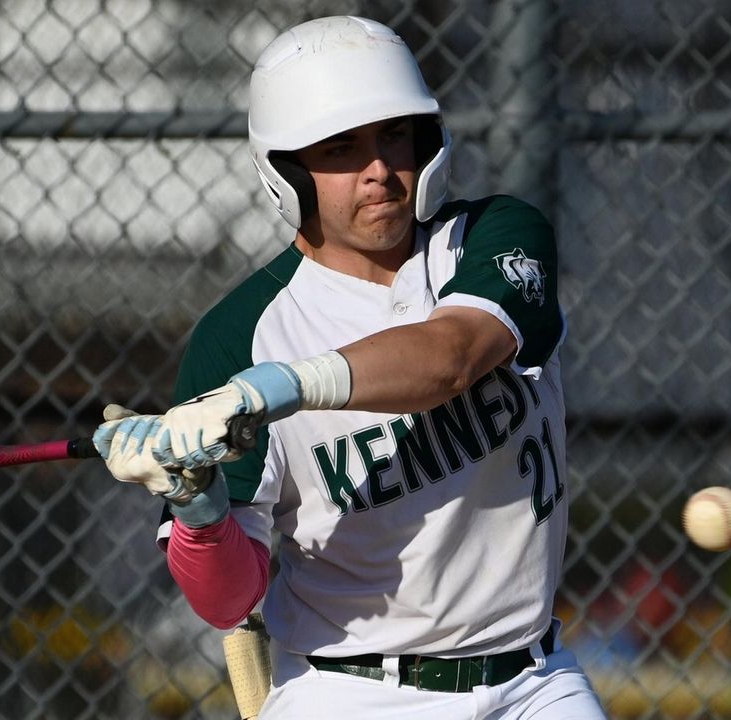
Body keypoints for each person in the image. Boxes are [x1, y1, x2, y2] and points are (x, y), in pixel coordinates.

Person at [93, 15, 605, 719]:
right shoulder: (241, 336)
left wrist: (282, 387)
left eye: (394, 135)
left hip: (534, 681)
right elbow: (228, 600)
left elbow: (449, 358)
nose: (378, 169)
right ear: (288, 172)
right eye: (341, 148)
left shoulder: (492, 238)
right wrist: (197, 503)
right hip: (352, 692)